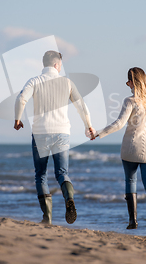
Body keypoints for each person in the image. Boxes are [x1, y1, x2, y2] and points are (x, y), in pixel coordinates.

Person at [14, 50, 95, 225]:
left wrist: (17, 119)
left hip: (40, 133)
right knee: (62, 173)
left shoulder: (34, 81)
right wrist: (88, 125)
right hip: (62, 132)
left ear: (44, 64)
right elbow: (81, 105)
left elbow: (21, 99)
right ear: (57, 65)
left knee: (41, 175)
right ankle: (69, 199)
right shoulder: (67, 82)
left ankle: (47, 217)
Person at [92, 67, 146, 239]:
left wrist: (99, 133)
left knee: (130, 180)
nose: (127, 85)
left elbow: (118, 124)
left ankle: (133, 221)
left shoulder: (130, 101)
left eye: (128, 82)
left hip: (130, 148)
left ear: (133, 82)